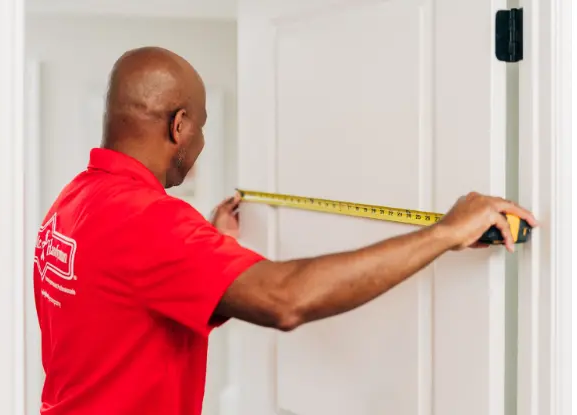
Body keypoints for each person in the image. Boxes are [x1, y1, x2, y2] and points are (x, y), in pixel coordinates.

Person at [33, 46, 538, 415]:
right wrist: (444, 232)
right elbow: (285, 299)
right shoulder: (150, 221)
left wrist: (215, 248)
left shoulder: (76, 200)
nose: (201, 139)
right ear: (180, 126)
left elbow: (129, 297)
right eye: (202, 126)